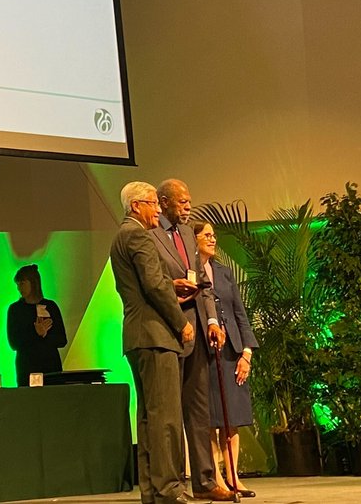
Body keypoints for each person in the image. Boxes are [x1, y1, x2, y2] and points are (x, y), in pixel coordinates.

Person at [111, 181, 197, 504]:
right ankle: (169, 488)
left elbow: (148, 283)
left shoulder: (121, 237)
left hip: (137, 336)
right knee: (167, 417)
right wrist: (180, 322)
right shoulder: (138, 235)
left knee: (148, 416)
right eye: (153, 203)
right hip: (156, 335)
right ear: (136, 206)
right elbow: (153, 286)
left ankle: (151, 489)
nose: (158, 210)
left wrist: (166, 283)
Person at [150, 179, 232, 502]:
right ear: (165, 202)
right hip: (170, 329)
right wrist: (174, 285)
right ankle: (174, 483)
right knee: (171, 411)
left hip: (198, 327)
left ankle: (206, 480)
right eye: (182, 202)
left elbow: (205, 283)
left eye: (189, 201)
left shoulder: (187, 234)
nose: (187, 207)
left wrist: (212, 320)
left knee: (199, 409)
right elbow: (153, 282)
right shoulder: (151, 233)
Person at [192, 220, 258, 498]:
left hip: (231, 349)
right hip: (204, 351)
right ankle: (215, 476)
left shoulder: (223, 271)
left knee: (233, 416)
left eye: (213, 235)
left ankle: (234, 476)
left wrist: (247, 352)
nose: (212, 238)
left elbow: (239, 312)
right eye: (206, 234)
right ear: (192, 239)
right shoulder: (190, 270)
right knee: (210, 417)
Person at [6, 263, 67, 386]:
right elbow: (14, 343)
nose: (19, 288)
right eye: (18, 284)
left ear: (33, 282)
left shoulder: (51, 306)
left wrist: (44, 334)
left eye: (22, 283)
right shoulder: (15, 309)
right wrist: (36, 333)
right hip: (27, 369)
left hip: (51, 368)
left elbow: (62, 340)